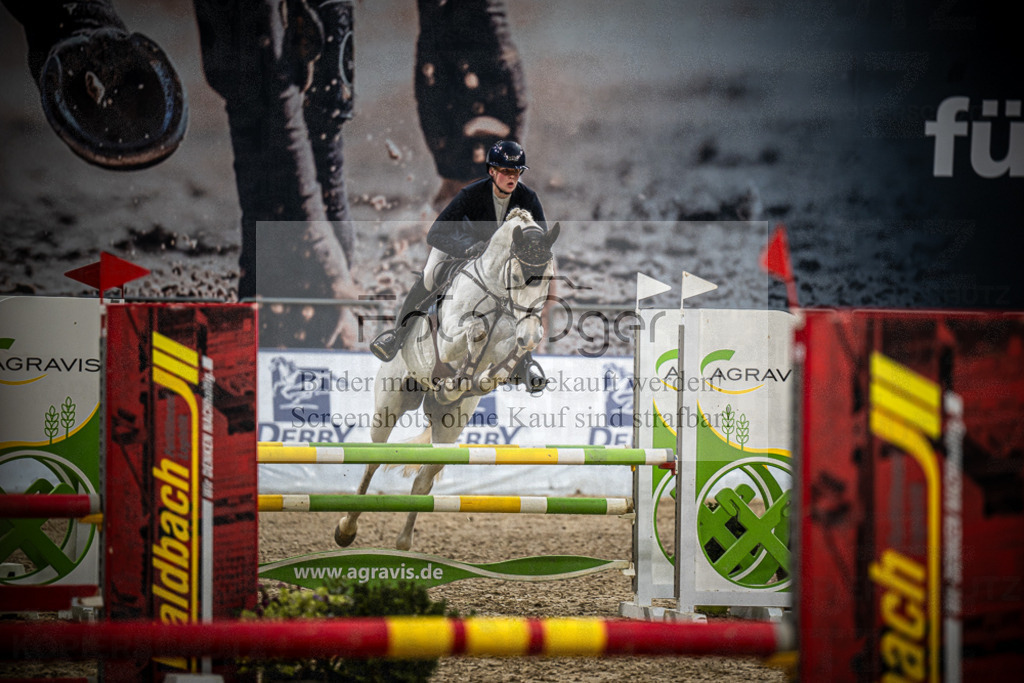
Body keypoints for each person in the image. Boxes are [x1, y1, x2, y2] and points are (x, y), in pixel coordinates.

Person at [370, 140, 548, 394]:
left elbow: (540, 237)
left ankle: (526, 363)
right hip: (459, 249)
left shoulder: (528, 197)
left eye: (517, 172)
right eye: (507, 172)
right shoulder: (471, 194)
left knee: (523, 298)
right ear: (492, 171)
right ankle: (396, 337)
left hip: (500, 264)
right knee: (430, 277)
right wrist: (466, 248)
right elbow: (435, 234)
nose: (512, 177)